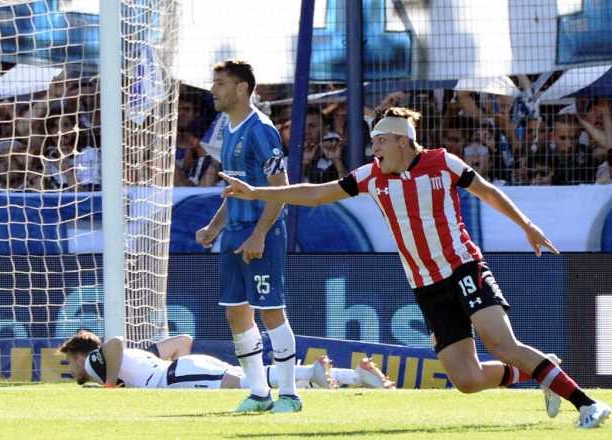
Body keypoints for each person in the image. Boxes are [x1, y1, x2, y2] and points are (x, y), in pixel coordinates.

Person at [218, 106, 610, 429]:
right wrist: (257, 191)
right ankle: (543, 372)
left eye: (381, 141)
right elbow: (317, 194)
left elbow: (488, 193)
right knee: (468, 381)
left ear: (404, 141)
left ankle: (587, 405)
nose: (375, 149)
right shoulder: (371, 176)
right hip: (427, 286)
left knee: (502, 346)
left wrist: (528, 227)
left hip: (463, 269)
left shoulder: (443, 163)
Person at [194, 60, 300, 413]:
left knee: (271, 312)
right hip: (234, 235)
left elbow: (280, 190)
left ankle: (289, 394)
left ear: (242, 89)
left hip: (262, 235)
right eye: (214, 83)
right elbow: (235, 191)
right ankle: (258, 393)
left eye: (221, 83)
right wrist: (214, 227)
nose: (213, 90)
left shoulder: (260, 130)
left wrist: (259, 235)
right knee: (237, 314)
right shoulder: (229, 128)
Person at [58, 331, 395, 391]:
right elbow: (183, 341)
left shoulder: (94, 362)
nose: (71, 369)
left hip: (176, 378)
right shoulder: (141, 354)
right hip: (185, 368)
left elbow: (114, 342)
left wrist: (107, 382)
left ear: (79, 354)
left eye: (69, 362)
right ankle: (357, 376)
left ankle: (311, 371)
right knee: (253, 379)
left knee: (253, 383)